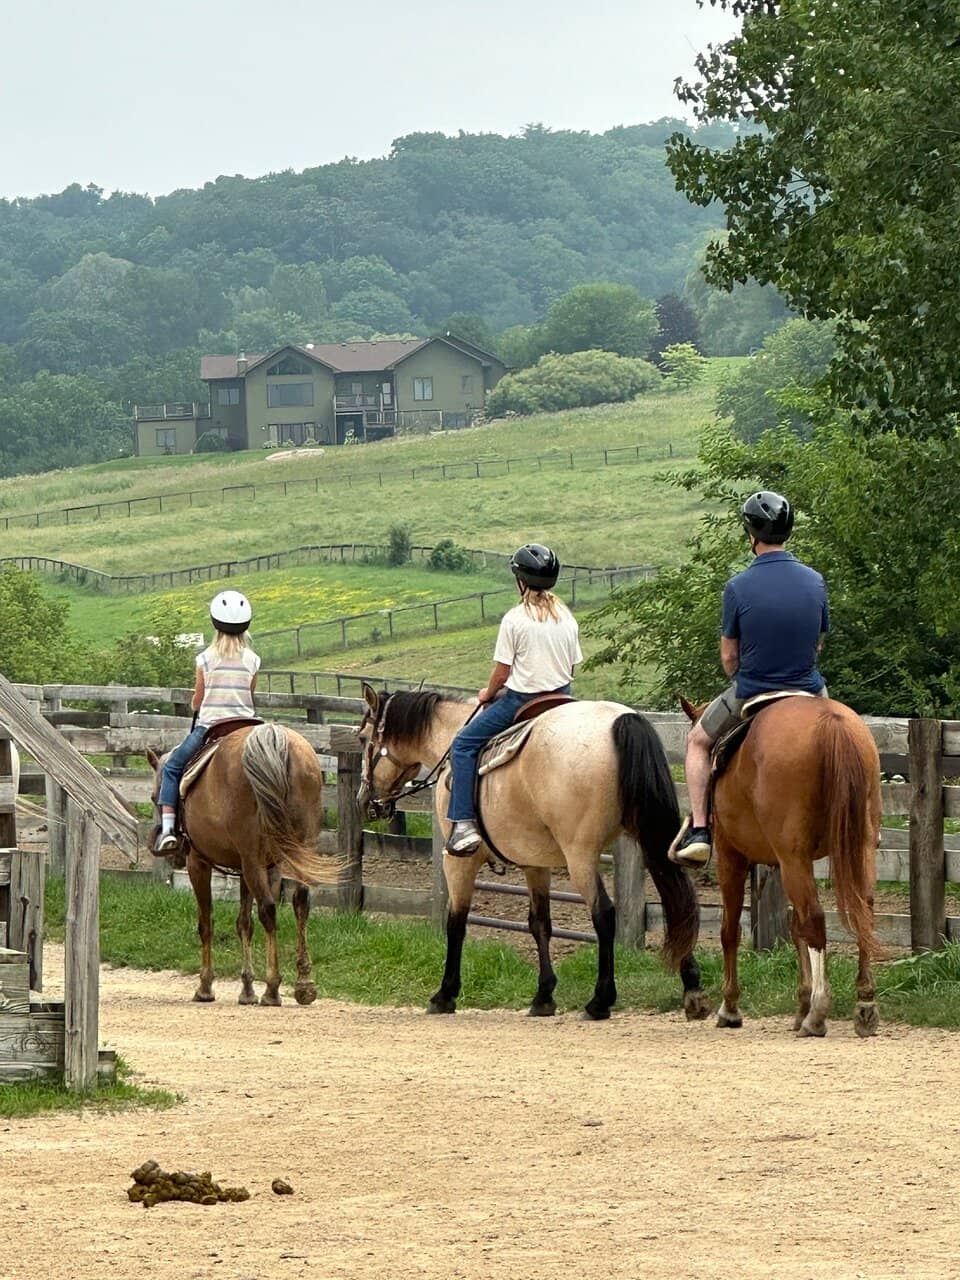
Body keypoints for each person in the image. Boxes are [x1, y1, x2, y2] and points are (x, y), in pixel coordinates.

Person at [672, 490, 829, 869]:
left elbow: (729, 655)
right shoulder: (815, 581)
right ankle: (864, 817)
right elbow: (818, 643)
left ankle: (699, 830)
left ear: (751, 534)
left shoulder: (738, 586)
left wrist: (737, 673)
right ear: (787, 532)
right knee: (844, 732)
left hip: (754, 690)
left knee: (697, 742)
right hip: (810, 688)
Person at [446, 543, 583, 855]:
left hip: (523, 701)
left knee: (464, 745)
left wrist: (487, 694)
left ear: (521, 581)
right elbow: (571, 666)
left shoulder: (515, 619)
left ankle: (463, 822)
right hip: (563, 699)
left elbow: (502, 673)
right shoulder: (567, 618)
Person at [153, 590, 261, 854]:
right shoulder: (253, 660)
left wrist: (194, 704)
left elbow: (198, 700)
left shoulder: (205, 659)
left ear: (215, 624)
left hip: (212, 728)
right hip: (248, 727)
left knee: (172, 767)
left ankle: (168, 830)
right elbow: (251, 695)